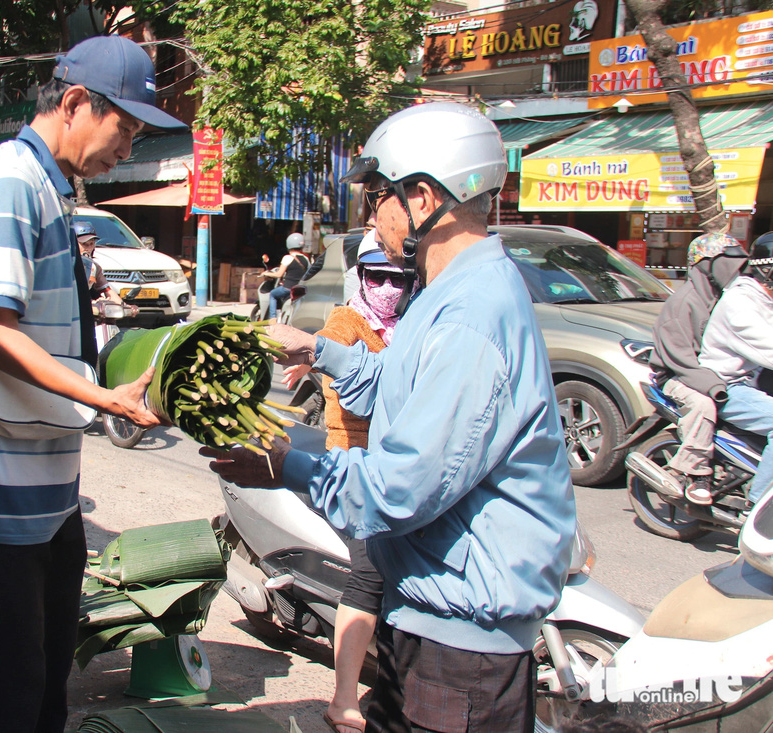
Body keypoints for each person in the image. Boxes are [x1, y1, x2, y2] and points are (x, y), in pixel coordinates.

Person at [203, 103, 576, 732]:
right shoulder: (446, 292)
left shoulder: (470, 316)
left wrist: (286, 466)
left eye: (380, 195)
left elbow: (400, 490)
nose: (373, 213)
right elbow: (397, 389)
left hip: (463, 650)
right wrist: (318, 349)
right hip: (426, 619)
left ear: (424, 198)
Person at [0, 35, 183, 731]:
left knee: (40, 693)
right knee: (7, 699)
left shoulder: (51, 188)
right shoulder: (12, 184)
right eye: (124, 128)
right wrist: (103, 398)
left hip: (40, 494)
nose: (127, 149)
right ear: (73, 104)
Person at [284, 230, 403, 733]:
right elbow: (351, 394)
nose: (389, 288)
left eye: (400, 278)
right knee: (370, 575)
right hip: (351, 464)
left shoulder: (411, 324)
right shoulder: (346, 321)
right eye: (378, 277)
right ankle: (343, 698)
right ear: (360, 277)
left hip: (398, 470)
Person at [649, 233, 748, 505]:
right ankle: (696, 472)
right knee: (703, 405)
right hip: (678, 376)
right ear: (706, 264)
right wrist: (712, 385)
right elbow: (679, 358)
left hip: (713, 375)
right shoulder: (684, 302)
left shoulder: (726, 298)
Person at [699, 235, 773, 505]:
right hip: (727, 387)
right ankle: (761, 506)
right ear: (768, 271)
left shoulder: (765, 300)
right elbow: (768, 348)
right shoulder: (740, 303)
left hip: (753, 384)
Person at [260, 232, 310, 320]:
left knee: (273, 294)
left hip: (288, 288)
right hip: (300, 289)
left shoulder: (288, 258)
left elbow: (279, 274)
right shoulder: (306, 259)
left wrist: (266, 273)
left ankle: (273, 318)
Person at [73, 220, 124, 304]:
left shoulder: (94, 266)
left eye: (91, 243)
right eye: (84, 244)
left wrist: (124, 306)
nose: (88, 248)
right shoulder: (66, 265)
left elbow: (108, 291)